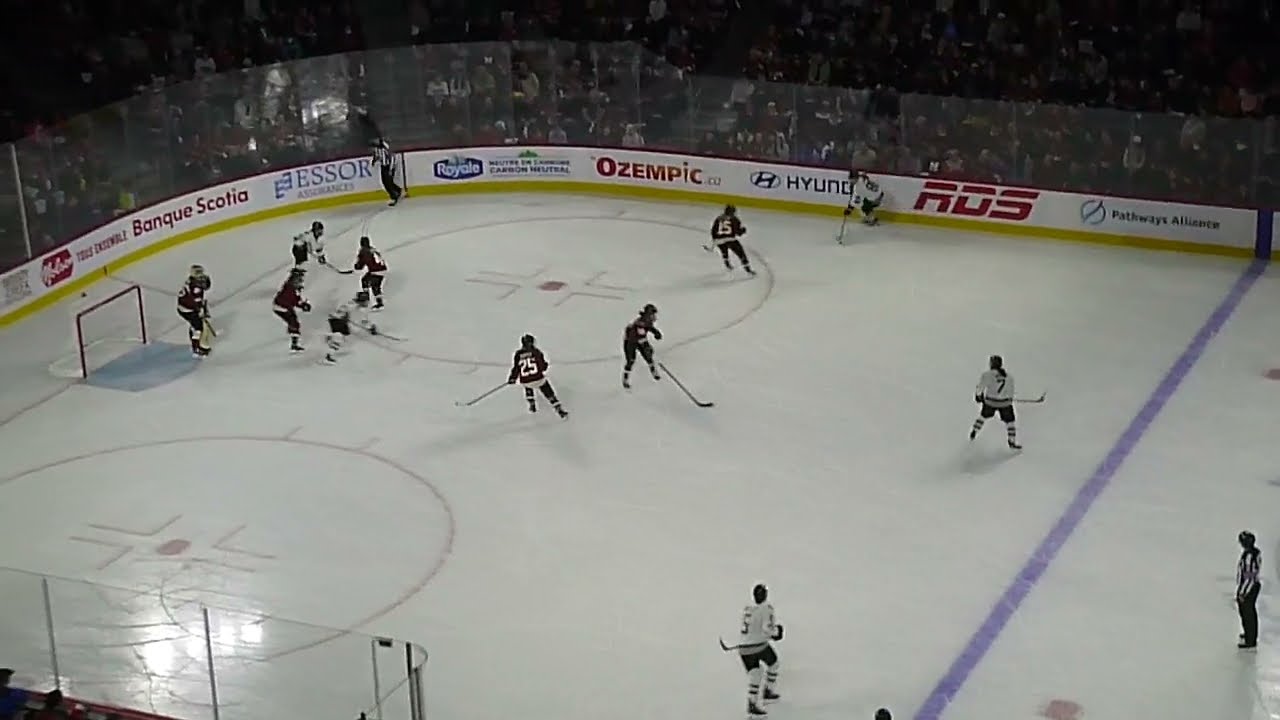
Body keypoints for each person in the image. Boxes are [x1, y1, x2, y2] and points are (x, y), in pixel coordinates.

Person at [1236, 530, 1261, 649]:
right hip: (1253, 586)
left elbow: (1249, 577)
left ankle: (1250, 639)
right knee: (1250, 612)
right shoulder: (1255, 553)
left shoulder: (1249, 557)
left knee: (1247, 613)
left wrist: (1242, 592)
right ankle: (1250, 634)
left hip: (1249, 587)